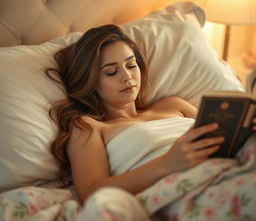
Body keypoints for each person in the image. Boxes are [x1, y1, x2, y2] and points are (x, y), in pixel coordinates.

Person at [46, 24, 256, 204]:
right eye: (111, 72)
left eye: (131, 65)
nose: (127, 76)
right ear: (89, 81)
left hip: (231, 167)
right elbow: (91, 192)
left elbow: (222, 137)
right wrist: (167, 163)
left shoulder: (173, 105)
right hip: (185, 189)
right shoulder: (89, 127)